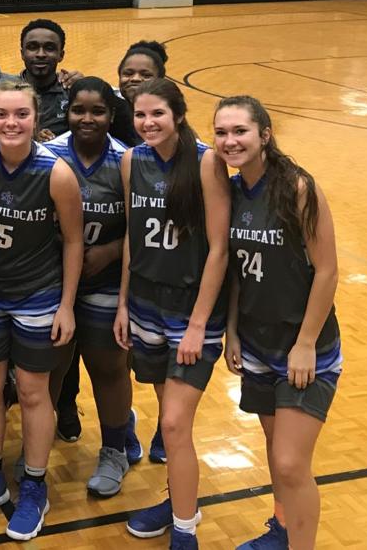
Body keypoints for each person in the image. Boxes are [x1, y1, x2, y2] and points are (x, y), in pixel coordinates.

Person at [0, 79, 84, 542]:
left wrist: (66, 305)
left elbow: (74, 241)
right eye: (2, 114)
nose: (11, 123)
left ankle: (34, 485)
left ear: (36, 118)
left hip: (38, 296)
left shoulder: (57, 173)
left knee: (31, 391)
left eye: (21, 114)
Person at [215, 96, 341, 550]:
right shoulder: (230, 192)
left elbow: (327, 271)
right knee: (275, 449)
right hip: (255, 343)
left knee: (290, 463)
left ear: (265, 134)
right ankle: (282, 531)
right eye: (222, 132)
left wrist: (305, 343)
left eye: (241, 131)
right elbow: (234, 271)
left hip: (304, 348)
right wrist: (232, 329)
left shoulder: (297, 188)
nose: (230, 141)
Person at [114, 79, 230, 549]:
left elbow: (219, 249)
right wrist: (123, 302)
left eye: (157, 113)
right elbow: (132, 235)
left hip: (190, 313)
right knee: (169, 420)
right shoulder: (131, 160)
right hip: (145, 305)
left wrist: (199, 325)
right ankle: (178, 499)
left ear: (178, 114)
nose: (148, 123)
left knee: (176, 424)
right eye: (140, 115)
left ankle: (184, 530)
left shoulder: (206, 162)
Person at [44, 79, 141, 497]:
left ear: (111, 115)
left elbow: (140, 227)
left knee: (109, 368)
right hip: (53, 284)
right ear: (66, 112)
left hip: (105, 282)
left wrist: (110, 251)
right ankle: (35, 453)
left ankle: (114, 450)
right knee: (48, 368)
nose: (87, 118)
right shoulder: (49, 156)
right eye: (78, 110)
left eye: (97, 111)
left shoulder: (126, 161)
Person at [0, 19, 77, 138]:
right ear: (22, 53)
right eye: (32, 47)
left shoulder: (71, 91)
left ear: (61, 55)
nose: (40, 54)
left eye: (49, 48)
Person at [112, 40, 168, 146]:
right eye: (128, 73)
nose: (135, 79)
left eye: (146, 75)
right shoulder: (109, 103)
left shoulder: (169, 117)